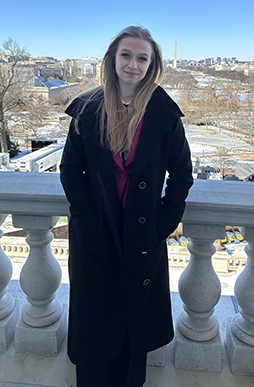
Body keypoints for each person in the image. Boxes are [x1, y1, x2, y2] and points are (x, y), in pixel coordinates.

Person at [59, 25, 193, 386]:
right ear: (112, 59)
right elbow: (70, 170)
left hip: (141, 234)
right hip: (96, 233)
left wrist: (163, 222)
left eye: (142, 58)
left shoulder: (164, 115)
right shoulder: (88, 109)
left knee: (133, 323)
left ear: (152, 65)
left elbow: (182, 175)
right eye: (126, 55)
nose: (133, 64)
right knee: (94, 320)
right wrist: (87, 220)